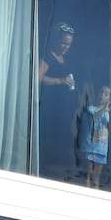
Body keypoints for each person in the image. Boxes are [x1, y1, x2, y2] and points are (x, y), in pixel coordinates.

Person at [38, 22, 79, 182]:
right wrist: (60, 81)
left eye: (68, 44)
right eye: (63, 43)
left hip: (65, 112)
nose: (65, 47)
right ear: (55, 39)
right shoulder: (48, 56)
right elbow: (38, 78)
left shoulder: (66, 58)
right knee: (49, 146)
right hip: (51, 111)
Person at [79, 85, 111, 189]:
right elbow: (94, 118)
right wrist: (104, 109)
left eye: (106, 94)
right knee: (88, 174)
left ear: (109, 98)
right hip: (90, 147)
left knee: (96, 177)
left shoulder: (107, 114)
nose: (102, 96)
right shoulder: (91, 109)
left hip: (101, 149)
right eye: (101, 93)